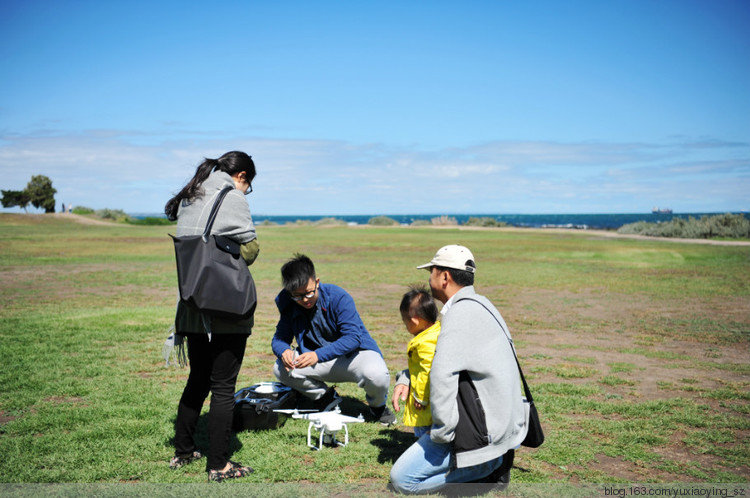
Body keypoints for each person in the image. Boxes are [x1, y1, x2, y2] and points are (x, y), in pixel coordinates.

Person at [390, 245, 528, 494]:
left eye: (431, 272)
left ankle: (487, 467)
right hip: (505, 425)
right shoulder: (484, 305)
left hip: (483, 433)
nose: (429, 279)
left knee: (402, 480)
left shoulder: (457, 317)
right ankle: (493, 459)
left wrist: (441, 436)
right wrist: (406, 377)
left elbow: (441, 377)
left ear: (444, 277)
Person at [164, 151, 259, 482]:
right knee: (223, 386)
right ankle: (220, 465)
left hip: (190, 305)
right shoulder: (232, 196)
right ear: (242, 176)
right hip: (224, 305)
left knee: (198, 379)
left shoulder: (193, 192)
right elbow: (250, 249)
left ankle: (184, 451)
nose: (248, 192)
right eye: (250, 185)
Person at [271, 254, 396, 425]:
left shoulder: (338, 297)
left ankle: (378, 407)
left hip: (353, 356)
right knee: (280, 368)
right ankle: (325, 398)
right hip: (317, 359)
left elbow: (353, 338)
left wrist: (317, 355)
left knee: (377, 375)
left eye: (308, 293)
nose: (304, 300)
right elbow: (278, 339)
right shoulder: (289, 303)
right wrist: (283, 350)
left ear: (317, 282)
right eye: (297, 296)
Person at [392, 287, 440, 439]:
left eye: (405, 322)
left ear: (414, 320)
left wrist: (421, 397)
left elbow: (427, 370)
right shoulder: (436, 333)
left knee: (424, 431)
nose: (406, 326)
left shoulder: (425, 342)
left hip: (427, 404)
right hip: (434, 400)